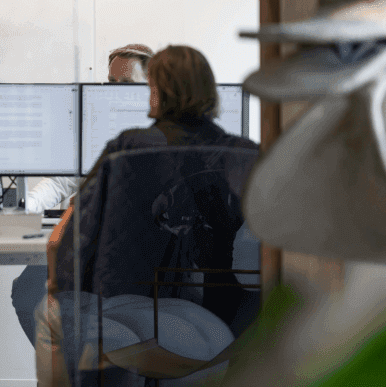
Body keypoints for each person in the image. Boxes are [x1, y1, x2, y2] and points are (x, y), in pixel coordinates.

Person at [36, 45, 258, 386]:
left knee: (50, 313)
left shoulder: (128, 148)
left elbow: (69, 243)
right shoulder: (247, 154)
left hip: (157, 331)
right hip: (233, 334)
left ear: (155, 93)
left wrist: (60, 287)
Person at [9, 44, 155, 347]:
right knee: (27, 293)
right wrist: (25, 206)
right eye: (111, 83)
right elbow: (63, 182)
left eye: (127, 85)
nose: (115, 92)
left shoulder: (161, 133)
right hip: (87, 241)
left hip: (134, 250)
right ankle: (65, 372)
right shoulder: (95, 126)